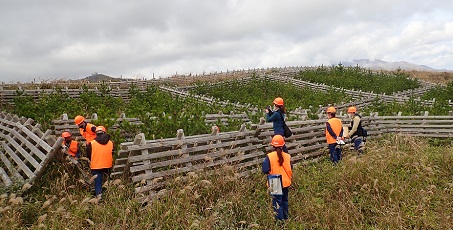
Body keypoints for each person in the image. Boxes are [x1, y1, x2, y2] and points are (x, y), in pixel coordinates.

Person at [262, 135, 292, 222]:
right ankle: (286, 218)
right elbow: (291, 168)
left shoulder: (269, 156)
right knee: (284, 201)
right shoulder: (287, 156)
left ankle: (280, 222)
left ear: (272, 145)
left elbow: (265, 169)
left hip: (274, 181)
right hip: (285, 181)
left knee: (277, 203)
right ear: (283, 145)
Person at [86, 126, 114, 200]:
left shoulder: (91, 143)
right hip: (108, 165)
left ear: (96, 134)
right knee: (108, 182)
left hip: (96, 166)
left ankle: (99, 198)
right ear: (105, 132)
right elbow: (112, 152)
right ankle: (110, 196)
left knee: (98, 184)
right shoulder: (111, 143)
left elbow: (88, 155)